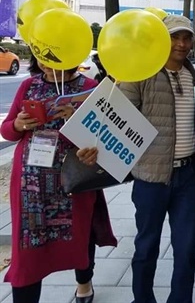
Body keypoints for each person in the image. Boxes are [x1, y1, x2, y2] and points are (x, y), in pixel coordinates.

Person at [0, 58, 116, 303]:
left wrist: (78, 119)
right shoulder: (28, 86)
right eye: (43, 59)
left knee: (81, 233)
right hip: (32, 183)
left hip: (74, 177)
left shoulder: (90, 88)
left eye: (54, 59)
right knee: (28, 245)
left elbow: (106, 136)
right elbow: (8, 129)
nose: (47, 66)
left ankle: (84, 281)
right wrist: (18, 124)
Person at [120, 15, 195, 303]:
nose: (181, 44)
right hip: (150, 178)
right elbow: (117, 121)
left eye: (186, 38)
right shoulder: (139, 74)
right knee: (146, 247)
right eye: (174, 37)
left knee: (187, 248)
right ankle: (142, 299)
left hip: (190, 178)